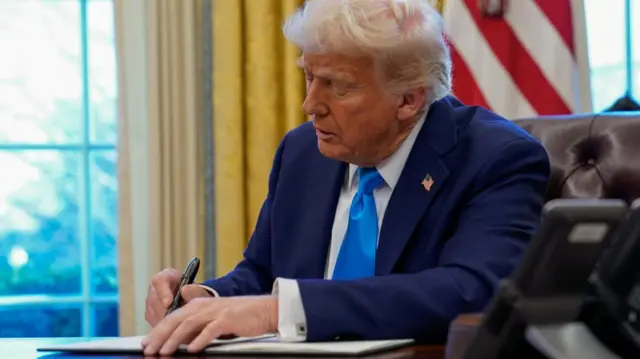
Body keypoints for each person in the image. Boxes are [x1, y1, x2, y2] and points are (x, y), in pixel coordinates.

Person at [141, 0, 551, 355]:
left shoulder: (495, 158)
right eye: (308, 76)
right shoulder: (302, 153)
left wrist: (274, 311)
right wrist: (204, 300)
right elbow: (262, 272)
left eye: (337, 87)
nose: (309, 105)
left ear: (408, 99)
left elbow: (471, 290)